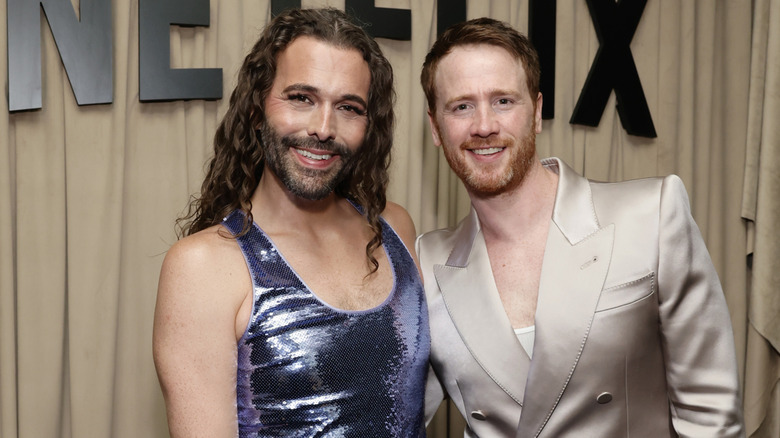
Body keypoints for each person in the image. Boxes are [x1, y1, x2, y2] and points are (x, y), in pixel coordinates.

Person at [417, 17, 744, 437]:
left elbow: (711, 415)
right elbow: (390, 412)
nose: (484, 125)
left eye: (503, 101)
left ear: (535, 112)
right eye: (461, 106)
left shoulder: (652, 215)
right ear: (435, 128)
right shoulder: (427, 263)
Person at [152, 8, 429, 437]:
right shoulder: (204, 266)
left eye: (349, 107)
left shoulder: (393, 227)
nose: (323, 128)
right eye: (301, 98)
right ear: (255, 108)